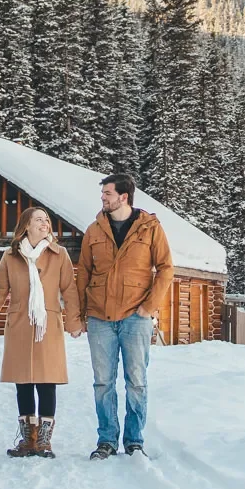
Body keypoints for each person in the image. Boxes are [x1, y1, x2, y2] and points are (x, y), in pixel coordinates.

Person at [76, 172, 174, 460]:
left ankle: (134, 440)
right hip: (100, 318)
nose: (103, 198)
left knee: (136, 381)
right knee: (103, 382)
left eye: (107, 193)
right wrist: (80, 313)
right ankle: (106, 440)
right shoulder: (94, 229)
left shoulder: (150, 228)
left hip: (136, 317)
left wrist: (148, 307)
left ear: (123, 196)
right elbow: (83, 272)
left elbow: (166, 268)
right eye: (103, 193)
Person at [0, 206, 83, 459]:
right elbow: (0, 290)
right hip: (20, 323)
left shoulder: (60, 254)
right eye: (39, 220)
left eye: (46, 220)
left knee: (47, 381)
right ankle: (28, 439)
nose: (45, 224)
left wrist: (74, 321)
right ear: (26, 225)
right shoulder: (10, 256)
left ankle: (44, 440)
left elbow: (69, 290)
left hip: (48, 323)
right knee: (23, 382)